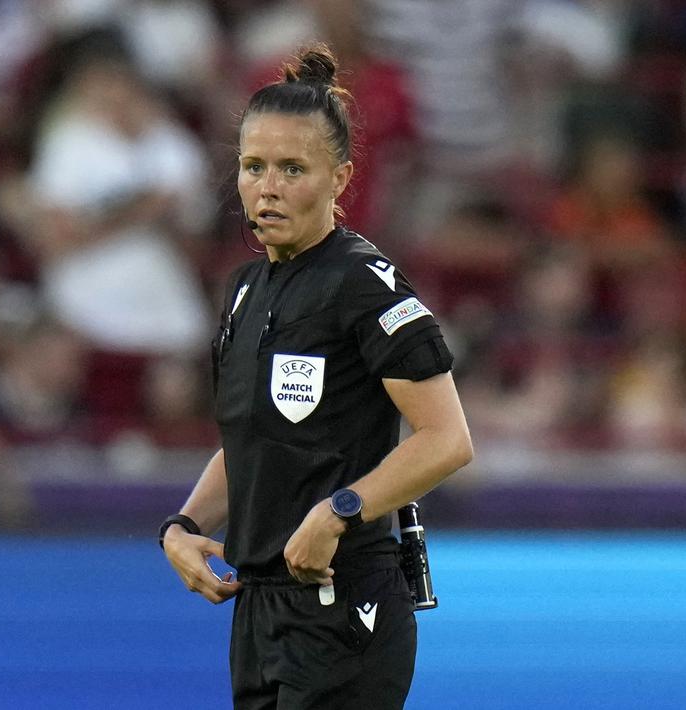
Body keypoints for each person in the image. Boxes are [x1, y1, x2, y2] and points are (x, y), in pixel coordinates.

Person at [159, 44, 473, 709]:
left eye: (291, 168)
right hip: (259, 611)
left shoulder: (364, 285)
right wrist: (181, 527)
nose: (266, 187)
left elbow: (445, 439)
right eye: (252, 167)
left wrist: (341, 510)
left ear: (340, 178)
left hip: (343, 601)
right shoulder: (245, 290)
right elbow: (253, 443)